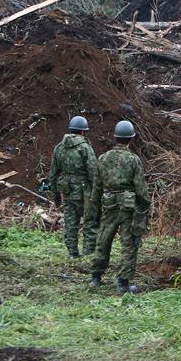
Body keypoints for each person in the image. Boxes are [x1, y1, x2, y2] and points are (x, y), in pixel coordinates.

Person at [89, 121, 150, 295]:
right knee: (129, 243)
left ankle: (95, 277)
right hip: (128, 207)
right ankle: (123, 283)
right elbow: (141, 189)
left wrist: (94, 209)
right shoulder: (133, 159)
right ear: (131, 138)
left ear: (115, 137)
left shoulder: (103, 157)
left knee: (103, 238)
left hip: (108, 203)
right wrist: (144, 208)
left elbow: (97, 186)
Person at [48, 116, 98, 257]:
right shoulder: (85, 148)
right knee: (90, 222)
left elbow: (52, 174)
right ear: (83, 132)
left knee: (70, 222)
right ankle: (88, 253)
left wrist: (56, 196)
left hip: (67, 191)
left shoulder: (59, 148)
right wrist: (97, 194)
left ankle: (72, 253)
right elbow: (93, 172)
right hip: (84, 192)